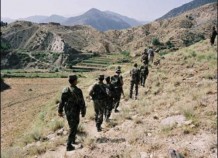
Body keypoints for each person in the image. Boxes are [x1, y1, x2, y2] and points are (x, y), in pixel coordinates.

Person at [58, 75, 86, 151]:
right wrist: (83, 111)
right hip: (75, 111)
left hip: (67, 111)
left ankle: (73, 140)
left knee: (71, 125)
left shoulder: (65, 89)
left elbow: (62, 102)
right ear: (74, 81)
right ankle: (69, 145)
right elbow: (82, 102)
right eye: (76, 80)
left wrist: (60, 111)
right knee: (73, 127)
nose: (77, 81)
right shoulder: (78, 90)